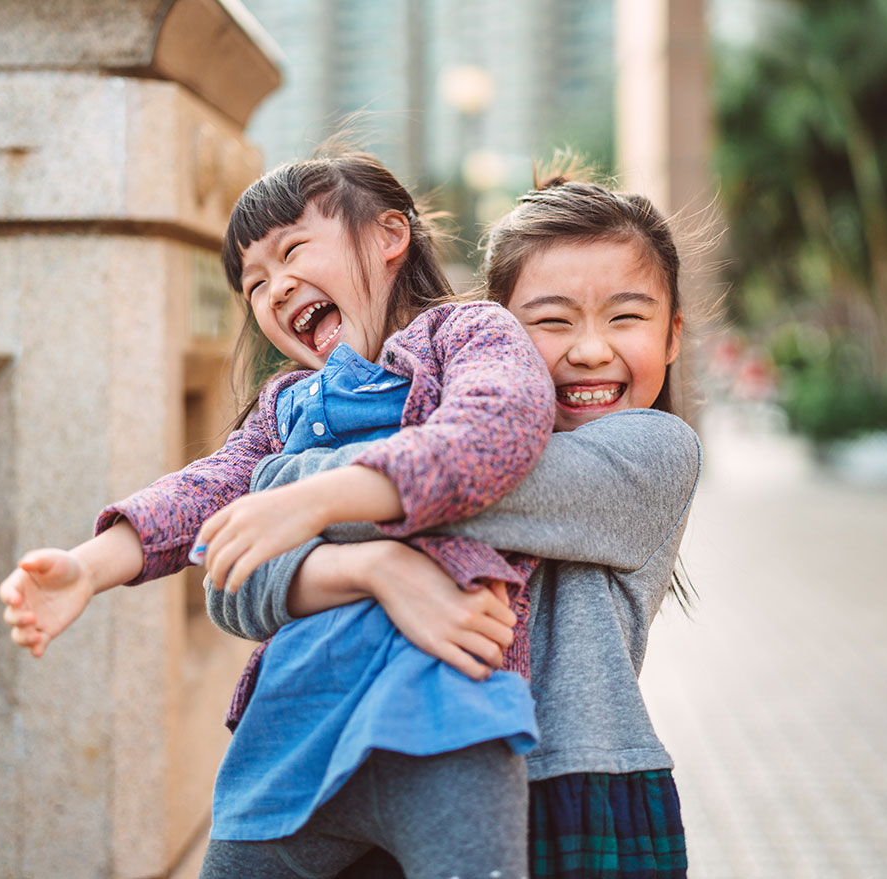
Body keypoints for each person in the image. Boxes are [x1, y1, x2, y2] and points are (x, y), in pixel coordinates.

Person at [0, 149, 559, 879]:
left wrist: (309, 499)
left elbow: (494, 432)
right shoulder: (285, 405)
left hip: (446, 723)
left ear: (390, 236)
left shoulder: (464, 335)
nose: (275, 288)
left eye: (293, 250)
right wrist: (87, 566)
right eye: (254, 284)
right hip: (289, 735)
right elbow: (205, 491)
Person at [216, 174, 702, 879]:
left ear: (673, 333)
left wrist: (278, 484)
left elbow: (457, 484)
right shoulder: (421, 438)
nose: (591, 349)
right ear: (497, 332)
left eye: (626, 318)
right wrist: (371, 568)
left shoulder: (654, 453)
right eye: (554, 320)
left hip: (569, 787)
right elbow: (232, 581)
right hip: (409, 761)